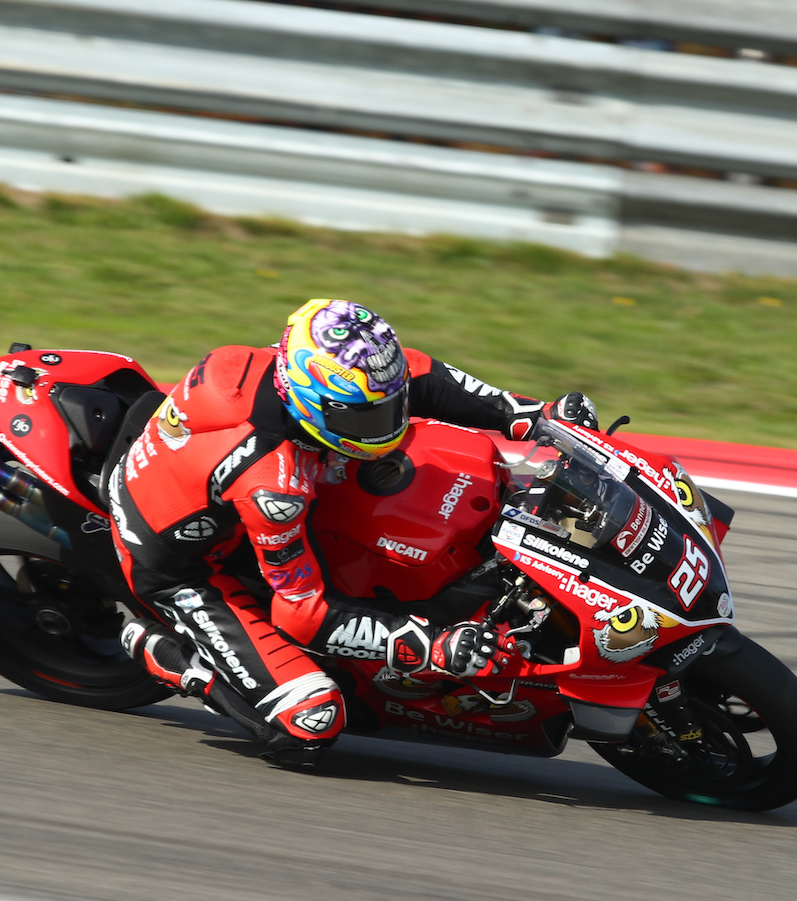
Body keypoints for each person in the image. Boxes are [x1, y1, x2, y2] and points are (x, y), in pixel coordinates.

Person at [108, 299, 597, 770]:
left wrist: (536, 415)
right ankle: (169, 655)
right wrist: (432, 646)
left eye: (388, 407)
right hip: (187, 568)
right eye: (364, 418)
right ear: (309, 401)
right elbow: (302, 613)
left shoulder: (320, 368)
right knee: (310, 723)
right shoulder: (272, 487)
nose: (385, 425)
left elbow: (420, 374)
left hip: (209, 483)